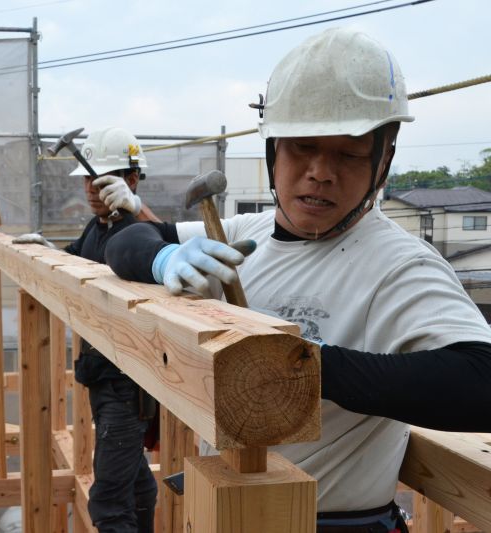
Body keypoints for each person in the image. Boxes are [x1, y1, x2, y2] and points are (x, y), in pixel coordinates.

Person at [104, 28, 491, 533]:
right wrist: (162, 259)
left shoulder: (398, 266)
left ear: (384, 159)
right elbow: (125, 243)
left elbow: (480, 383)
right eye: (302, 148)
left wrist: (296, 365)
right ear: (272, 149)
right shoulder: (245, 232)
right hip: (223, 512)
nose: (319, 172)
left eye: (349, 154)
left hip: (335, 523)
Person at [14, 127, 159, 532]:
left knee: (109, 501)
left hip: (128, 383)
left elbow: (165, 252)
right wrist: (48, 253)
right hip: (104, 375)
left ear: (131, 180)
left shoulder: (137, 230)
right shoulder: (97, 228)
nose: (92, 188)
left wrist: (136, 208)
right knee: (136, 481)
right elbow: (78, 261)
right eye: (86, 180)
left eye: (104, 177)